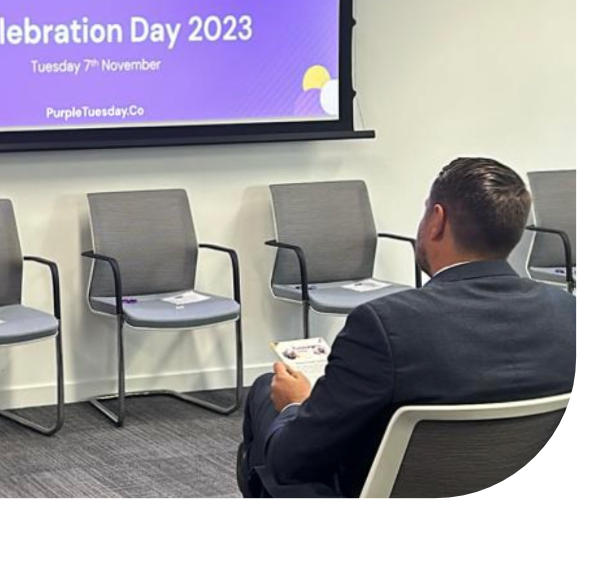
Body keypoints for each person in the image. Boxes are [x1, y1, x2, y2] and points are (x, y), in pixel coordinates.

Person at [238, 158, 576, 497]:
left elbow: (293, 461)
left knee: (269, 395)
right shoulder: (570, 313)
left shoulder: (384, 325)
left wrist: (297, 406)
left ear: (437, 221)